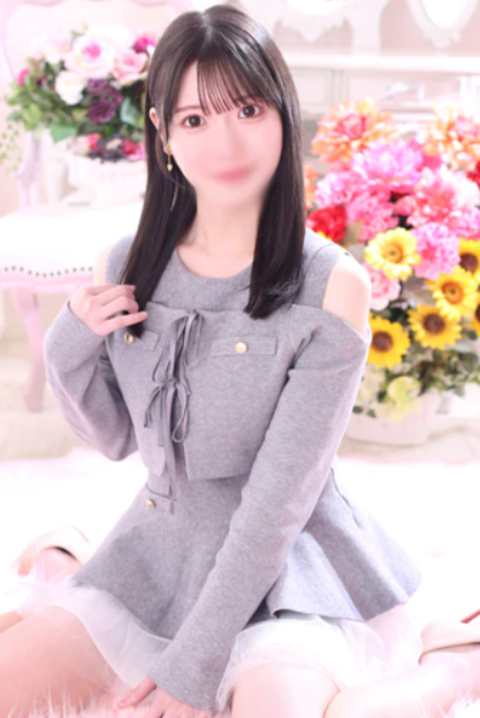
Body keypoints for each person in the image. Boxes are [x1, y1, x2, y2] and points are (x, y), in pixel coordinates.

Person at [1, 5, 479, 718]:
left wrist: (193, 663)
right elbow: (114, 439)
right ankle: (61, 558)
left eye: (248, 110)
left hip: (288, 565)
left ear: (283, 112)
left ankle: (454, 664)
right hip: (158, 551)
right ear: (162, 133)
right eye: (194, 119)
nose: (226, 143)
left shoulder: (332, 285)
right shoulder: (126, 263)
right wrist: (70, 336)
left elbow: (277, 502)